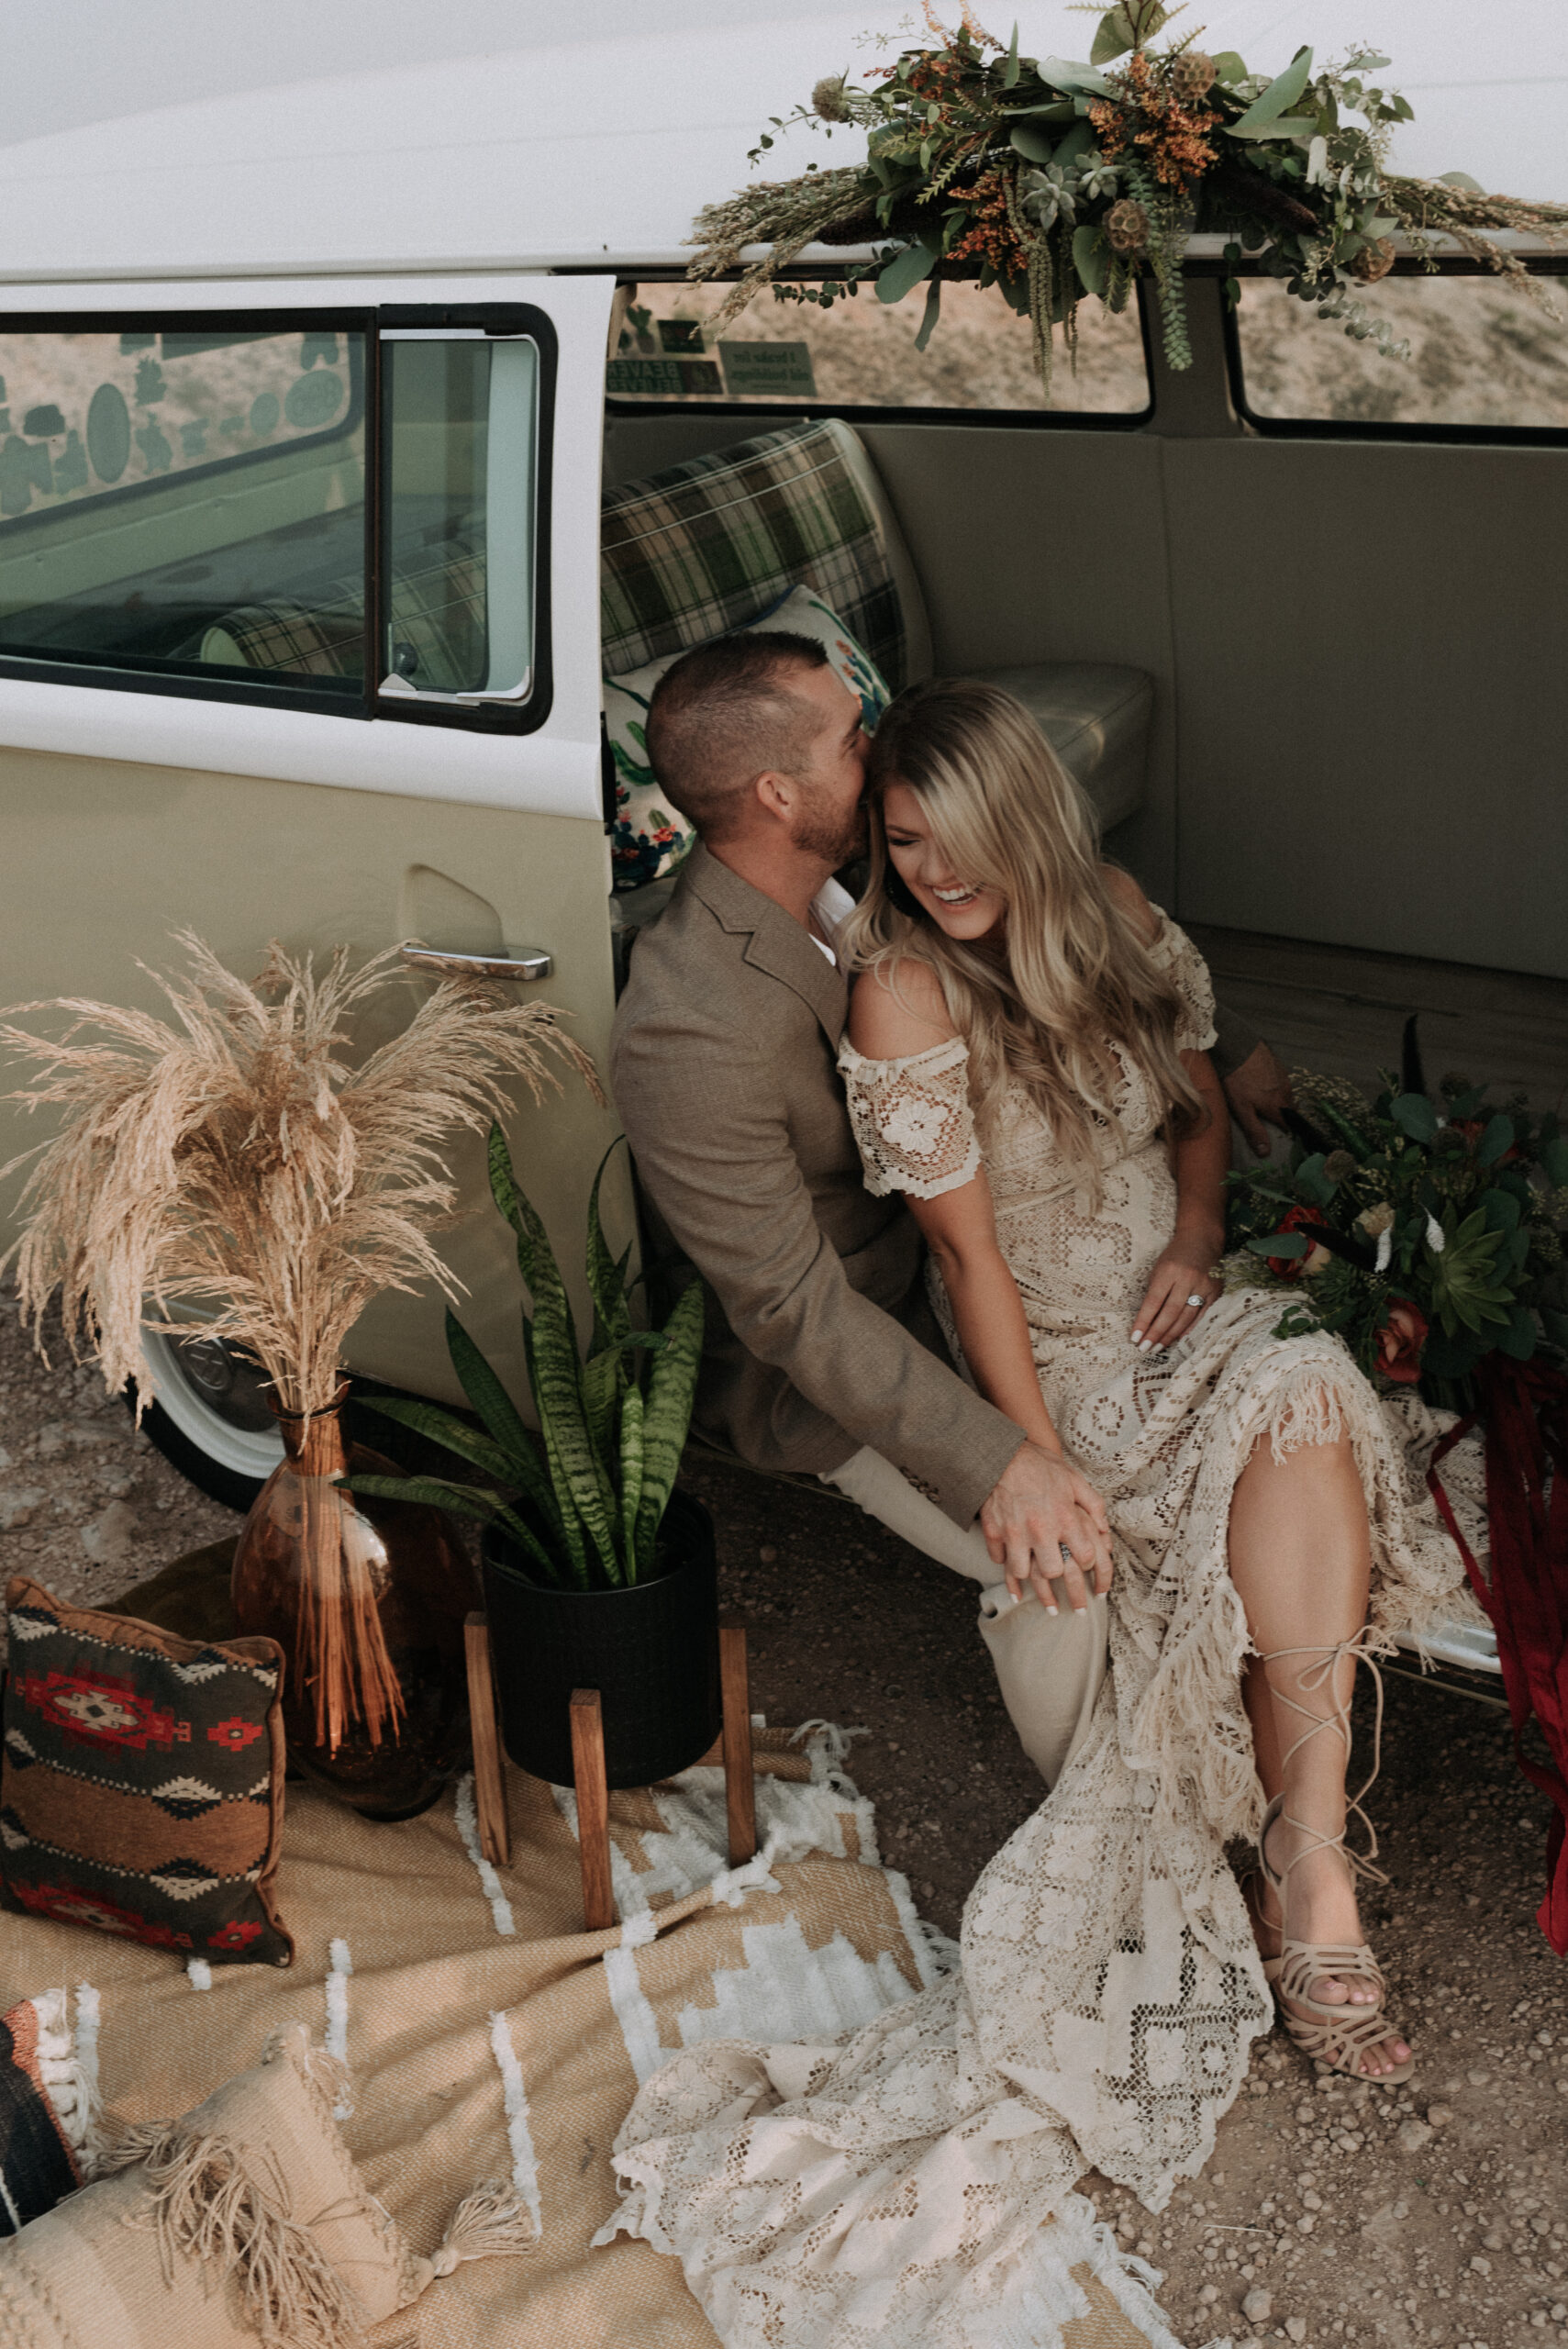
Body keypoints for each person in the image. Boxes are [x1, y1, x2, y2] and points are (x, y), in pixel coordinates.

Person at [604, 676, 1483, 2346]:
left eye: (929, 807)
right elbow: (869, 1287)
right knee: (1134, 1531)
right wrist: (1019, 1459)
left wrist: (1197, 1234)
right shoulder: (772, 1001)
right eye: (856, 757)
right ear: (795, 802)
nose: (875, 775)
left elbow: (1188, 1097)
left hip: (1150, 1291)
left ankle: (1305, 1865)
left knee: (1295, 1388)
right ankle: (1195, 1786)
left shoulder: (995, 905)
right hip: (989, 1358)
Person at [611, 632, 1296, 1788]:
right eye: (847, 732)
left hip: (986, 1258)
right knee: (1060, 1553)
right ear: (780, 793)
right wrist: (1000, 1463)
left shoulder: (875, 864)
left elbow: (1073, 967)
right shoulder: (689, 1027)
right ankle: (1106, 1808)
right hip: (855, 1348)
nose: (872, 739)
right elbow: (790, 1310)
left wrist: (1220, 1071)